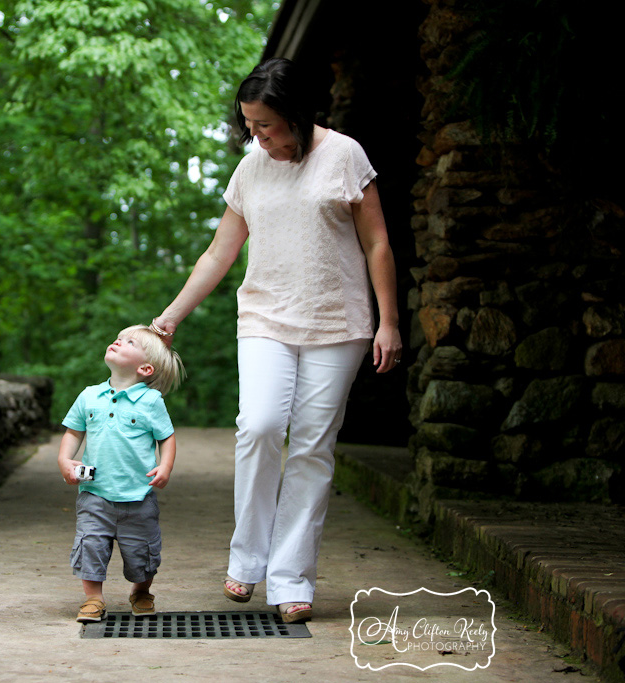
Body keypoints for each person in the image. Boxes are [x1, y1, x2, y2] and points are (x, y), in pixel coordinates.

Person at [152, 58, 402, 624]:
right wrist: (171, 316)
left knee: (312, 446)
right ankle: (247, 560)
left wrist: (389, 321)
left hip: (338, 323)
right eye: (249, 125)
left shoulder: (344, 156)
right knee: (260, 424)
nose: (257, 136)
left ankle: (291, 578)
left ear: (297, 115)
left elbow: (378, 243)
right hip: (264, 317)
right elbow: (220, 252)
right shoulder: (251, 169)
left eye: (266, 125)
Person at [57, 325, 185, 623]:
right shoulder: (90, 396)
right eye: (118, 337)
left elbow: (166, 438)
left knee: (142, 552)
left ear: (145, 368)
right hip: (94, 492)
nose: (117, 341)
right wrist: (65, 459)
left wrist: (165, 466)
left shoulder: (151, 402)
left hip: (138, 496)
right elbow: (74, 431)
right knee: (90, 543)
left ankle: (141, 591)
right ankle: (93, 598)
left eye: (129, 342)